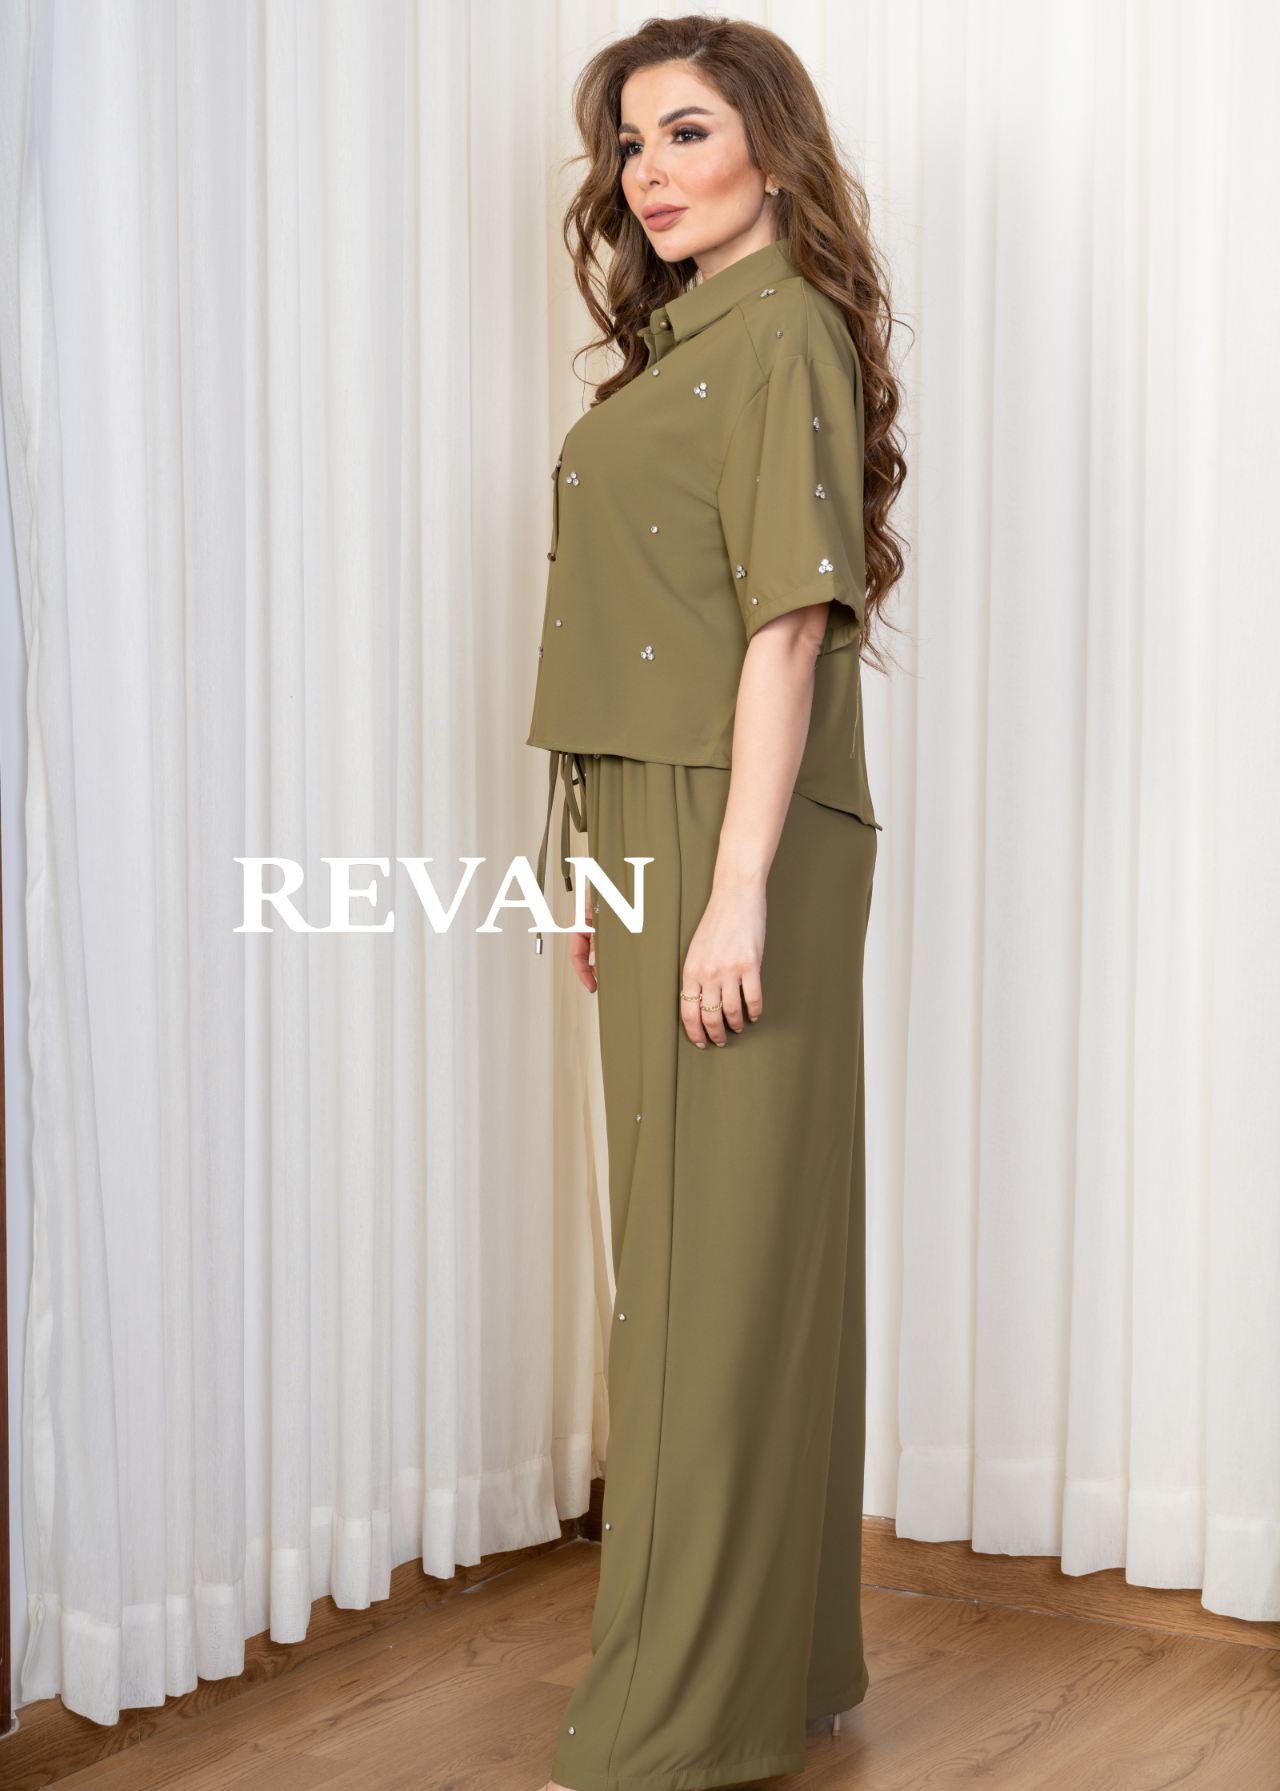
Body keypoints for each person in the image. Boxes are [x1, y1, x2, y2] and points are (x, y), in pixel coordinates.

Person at [528, 16, 906, 1790]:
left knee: (711, 1269)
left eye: (686, 131)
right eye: (628, 143)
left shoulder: (787, 332)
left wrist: (733, 886)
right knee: (714, 1255)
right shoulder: (685, 344)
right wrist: (605, 868)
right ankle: (783, 1658)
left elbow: (786, 626)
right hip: (657, 820)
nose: (648, 173)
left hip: (732, 826)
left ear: (772, 145)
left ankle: (681, 1710)